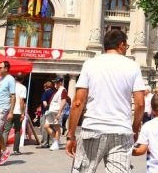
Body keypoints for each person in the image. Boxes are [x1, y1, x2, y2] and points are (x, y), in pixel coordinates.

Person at [66, 30, 145, 173]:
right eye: (126, 46)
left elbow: (78, 102)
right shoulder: (133, 66)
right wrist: (134, 128)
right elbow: (140, 103)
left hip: (93, 129)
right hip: (121, 131)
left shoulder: (90, 64)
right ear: (121, 45)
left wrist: (71, 135)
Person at [4, 72, 27, 155]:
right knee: (17, 131)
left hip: (8, 110)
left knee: (6, 130)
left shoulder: (10, 86)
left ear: (15, 78)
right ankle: (16, 150)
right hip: (17, 111)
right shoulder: (23, 87)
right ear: (22, 79)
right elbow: (21, 101)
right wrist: (22, 113)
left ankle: (3, 149)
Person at [44, 76, 67, 151]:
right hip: (51, 111)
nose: (55, 84)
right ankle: (55, 140)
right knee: (46, 126)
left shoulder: (63, 90)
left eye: (56, 83)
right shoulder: (57, 90)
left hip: (57, 111)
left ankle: (56, 143)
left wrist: (60, 112)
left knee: (57, 127)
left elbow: (63, 101)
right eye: (54, 82)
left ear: (60, 83)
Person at [38, 81, 54, 148]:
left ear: (45, 87)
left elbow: (44, 103)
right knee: (50, 127)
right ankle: (50, 142)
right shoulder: (53, 93)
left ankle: (44, 143)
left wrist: (47, 108)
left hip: (45, 112)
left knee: (44, 127)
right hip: (52, 112)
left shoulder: (45, 93)